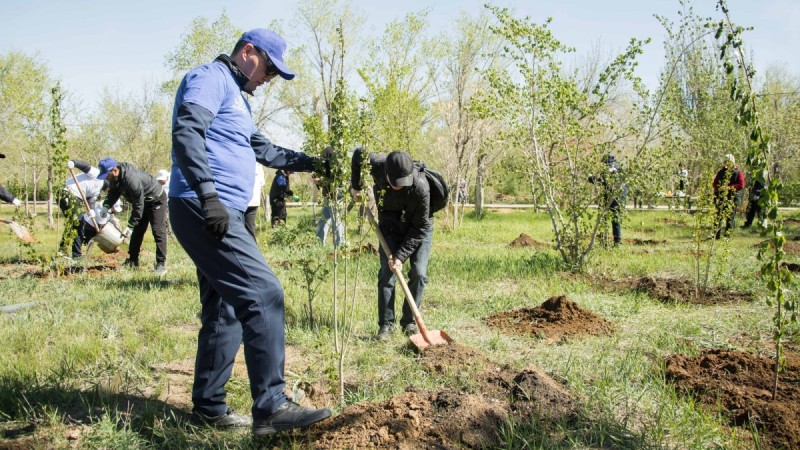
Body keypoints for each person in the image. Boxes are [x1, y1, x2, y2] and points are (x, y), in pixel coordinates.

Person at [168, 27, 331, 435]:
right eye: (269, 70)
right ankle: (272, 406)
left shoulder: (239, 102)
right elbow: (187, 129)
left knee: (226, 307)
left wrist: (314, 162)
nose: (269, 79)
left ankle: (209, 406)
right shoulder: (210, 78)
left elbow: (266, 151)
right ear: (247, 52)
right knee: (264, 293)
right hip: (205, 205)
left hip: (223, 209)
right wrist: (208, 195)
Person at [350, 148, 433, 341]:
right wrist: (356, 186)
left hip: (417, 228)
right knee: (387, 274)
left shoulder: (421, 186)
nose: (399, 187)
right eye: (395, 182)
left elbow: (420, 228)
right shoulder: (378, 164)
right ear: (386, 173)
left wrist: (401, 256)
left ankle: (409, 321)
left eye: (403, 182)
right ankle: (385, 325)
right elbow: (358, 154)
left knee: (419, 273)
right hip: (390, 228)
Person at [99, 157, 168, 275]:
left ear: (114, 170)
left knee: (158, 231)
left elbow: (138, 205)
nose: (106, 177)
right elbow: (114, 192)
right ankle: (132, 261)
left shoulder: (131, 180)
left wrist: (130, 225)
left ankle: (161, 264)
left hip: (156, 200)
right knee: (137, 232)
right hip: (142, 201)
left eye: (106, 174)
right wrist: (106, 205)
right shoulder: (115, 177)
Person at [589, 153, 625, 246]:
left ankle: (605, 241)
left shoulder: (611, 167)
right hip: (618, 197)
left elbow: (604, 181)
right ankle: (616, 242)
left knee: (604, 218)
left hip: (612, 197)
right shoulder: (619, 167)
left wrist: (593, 179)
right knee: (614, 220)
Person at [315, 147, 344, 247]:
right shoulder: (332, 162)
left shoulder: (333, 165)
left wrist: (320, 181)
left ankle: (340, 244)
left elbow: (332, 182)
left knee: (336, 220)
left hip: (334, 196)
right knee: (323, 220)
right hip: (329, 196)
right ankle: (319, 242)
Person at [712, 153, 745, 239]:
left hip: (732, 198)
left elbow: (741, 185)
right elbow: (715, 183)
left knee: (730, 217)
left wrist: (729, 188)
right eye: (726, 162)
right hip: (721, 196)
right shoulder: (721, 172)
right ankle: (716, 235)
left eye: (728, 161)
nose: (727, 163)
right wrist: (720, 188)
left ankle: (727, 236)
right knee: (718, 216)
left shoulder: (738, 172)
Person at [245, 165, 266, 237]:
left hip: (242, 200)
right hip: (254, 201)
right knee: (250, 226)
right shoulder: (259, 165)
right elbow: (262, 183)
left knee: (238, 226)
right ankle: (251, 244)